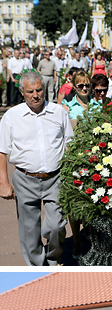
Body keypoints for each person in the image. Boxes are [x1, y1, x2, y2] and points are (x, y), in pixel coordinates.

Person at [0, 70, 74, 266]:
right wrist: (4, 182)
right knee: (29, 230)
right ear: (22, 93)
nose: (35, 95)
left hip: (55, 178)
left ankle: (52, 259)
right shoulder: (12, 116)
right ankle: (37, 266)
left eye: (39, 90)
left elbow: (70, 142)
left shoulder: (58, 112)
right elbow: (2, 151)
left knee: (56, 225)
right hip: (25, 179)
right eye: (30, 91)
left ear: (45, 89)